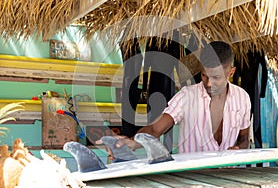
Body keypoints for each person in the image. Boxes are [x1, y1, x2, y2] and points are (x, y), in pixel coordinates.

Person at [97, 41, 251, 157]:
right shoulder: (187, 96)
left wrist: (237, 150)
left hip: (229, 178)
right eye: (204, 75)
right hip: (192, 180)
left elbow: (244, 139)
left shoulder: (242, 98)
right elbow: (155, 129)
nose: (209, 83)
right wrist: (131, 141)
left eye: (216, 77)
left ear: (231, 72)